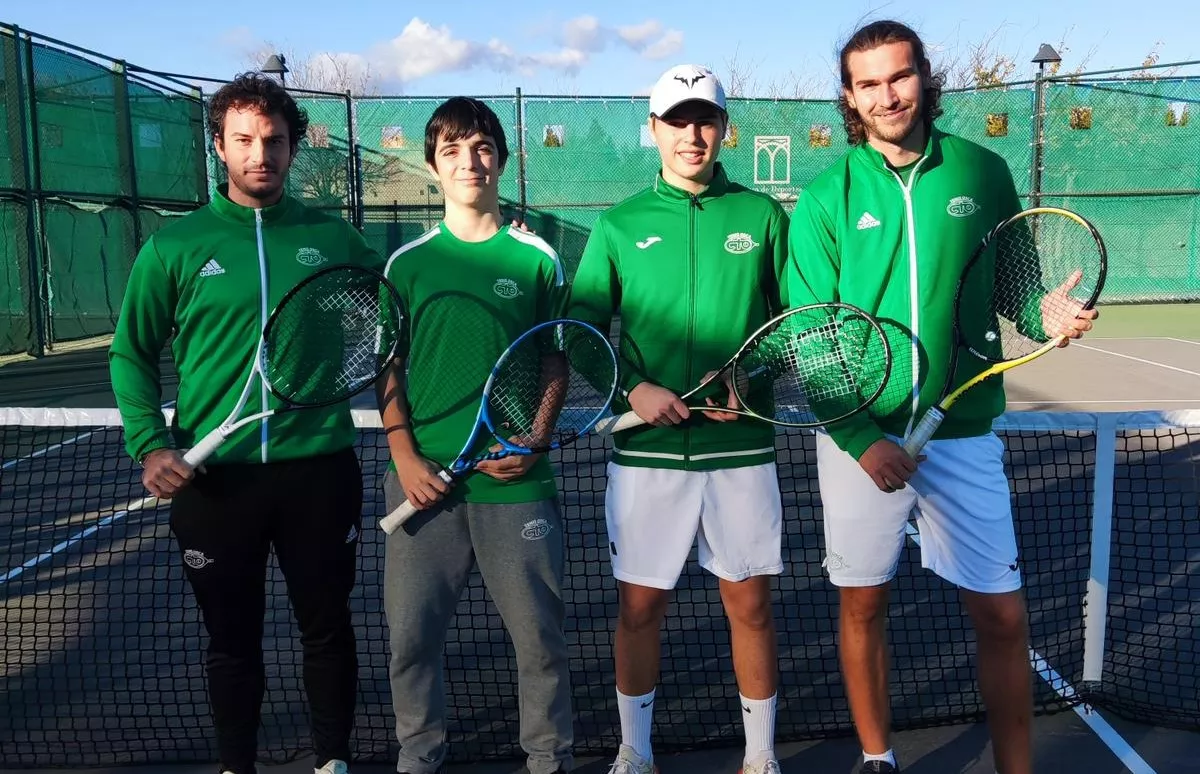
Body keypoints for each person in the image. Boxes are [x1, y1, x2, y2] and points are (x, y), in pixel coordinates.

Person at [786, 20, 1098, 774]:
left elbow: (1018, 287)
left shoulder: (983, 172)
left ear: (925, 77)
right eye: (868, 84)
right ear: (849, 100)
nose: (887, 95)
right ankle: (876, 758)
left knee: (1001, 613)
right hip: (863, 442)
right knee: (863, 605)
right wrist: (864, 440)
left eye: (899, 76)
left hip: (961, 433)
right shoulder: (827, 199)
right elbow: (813, 341)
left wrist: (1046, 314)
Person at [109, 73, 383, 774]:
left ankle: (333, 761)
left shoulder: (337, 238)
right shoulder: (175, 247)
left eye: (274, 140)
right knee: (230, 640)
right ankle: (238, 766)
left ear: (293, 149)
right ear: (220, 148)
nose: (260, 153)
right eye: (244, 140)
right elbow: (131, 352)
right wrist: (150, 443)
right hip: (217, 485)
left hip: (319, 474)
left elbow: (389, 324)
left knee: (326, 631)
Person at [568, 64, 790, 774]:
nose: (692, 134)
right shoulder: (621, 223)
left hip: (741, 451)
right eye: (677, 120)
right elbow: (578, 329)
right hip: (649, 459)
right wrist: (632, 389)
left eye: (705, 119)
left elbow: (794, 324)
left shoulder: (762, 216)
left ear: (725, 129)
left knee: (751, 608)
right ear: (654, 130)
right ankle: (636, 753)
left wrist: (750, 379)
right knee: (639, 611)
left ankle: (761, 757)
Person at [376, 96, 574, 774]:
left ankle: (548, 760)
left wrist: (535, 438)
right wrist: (403, 458)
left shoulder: (537, 259)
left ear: (502, 160)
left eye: (482, 147)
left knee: (540, 643)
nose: (470, 161)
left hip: (517, 485)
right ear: (433, 165)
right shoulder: (405, 264)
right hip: (423, 485)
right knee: (410, 641)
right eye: (453, 149)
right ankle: (418, 758)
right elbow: (389, 369)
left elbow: (555, 357)